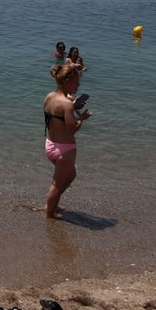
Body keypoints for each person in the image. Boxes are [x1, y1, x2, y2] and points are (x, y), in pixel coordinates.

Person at [43, 63, 91, 219]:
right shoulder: (67, 105)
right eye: (76, 81)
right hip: (65, 150)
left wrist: (74, 106)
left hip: (50, 145)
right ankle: (49, 214)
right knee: (56, 185)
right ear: (68, 80)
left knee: (71, 175)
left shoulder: (50, 97)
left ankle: (53, 202)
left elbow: (58, 116)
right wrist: (82, 118)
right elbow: (72, 129)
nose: (78, 84)